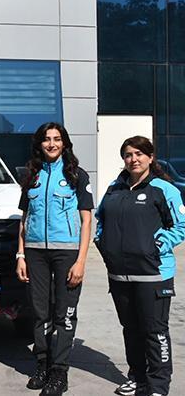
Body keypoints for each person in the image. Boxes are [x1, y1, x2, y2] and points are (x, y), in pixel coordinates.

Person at [95, 136, 185, 396]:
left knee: (154, 332)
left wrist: (155, 245)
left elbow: (180, 225)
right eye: (128, 154)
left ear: (150, 157)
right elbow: (101, 220)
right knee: (131, 330)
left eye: (138, 154)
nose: (133, 159)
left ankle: (158, 385)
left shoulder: (163, 189)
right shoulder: (114, 188)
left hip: (153, 274)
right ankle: (137, 377)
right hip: (120, 275)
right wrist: (103, 243)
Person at [16, 123, 94, 396]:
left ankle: (59, 372)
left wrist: (81, 261)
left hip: (67, 253)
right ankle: (42, 365)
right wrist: (21, 255)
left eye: (57, 139)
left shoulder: (77, 175)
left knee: (64, 313)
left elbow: (86, 221)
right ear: (39, 144)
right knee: (40, 313)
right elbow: (24, 219)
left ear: (64, 143)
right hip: (35, 252)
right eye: (47, 139)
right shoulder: (31, 176)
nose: (51, 144)